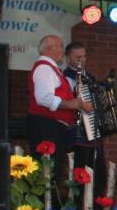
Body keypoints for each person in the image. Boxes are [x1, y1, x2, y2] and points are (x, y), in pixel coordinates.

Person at [27, 34, 91, 184]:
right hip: (46, 127)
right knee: (47, 173)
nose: (62, 51)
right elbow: (43, 98)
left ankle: (47, 206)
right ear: (50, 49)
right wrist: (73, 104)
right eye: (60, 46)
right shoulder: (45, 68)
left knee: (51, 173)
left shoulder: (50, 69)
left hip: (50, 127)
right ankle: (44, 207)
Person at [62, 41, 105, 196]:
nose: (82, 60)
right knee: (80, 173)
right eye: (77, 57)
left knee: (99, 174)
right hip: (77, 132)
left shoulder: (91, 77)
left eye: (84, 56)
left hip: (93, 131)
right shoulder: (64, 78)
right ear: (68, 59)